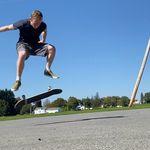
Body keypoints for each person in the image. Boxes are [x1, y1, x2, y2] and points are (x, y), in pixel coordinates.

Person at [0, 10, 59, 91]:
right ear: (30, 19)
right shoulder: (23, 23)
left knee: (51, 48)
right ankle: (18, 80)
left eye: (39, 23)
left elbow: (45, 31)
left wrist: (43, 40)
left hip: (35, 45)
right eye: (35, 23)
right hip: (23, 44)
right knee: (22, 54)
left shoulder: (43, 25)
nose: (37, 25)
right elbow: (7, 27)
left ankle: (47, 70)